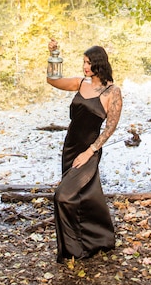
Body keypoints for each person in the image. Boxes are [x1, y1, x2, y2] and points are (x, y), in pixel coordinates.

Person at [47, 39, 123, 263]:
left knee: (63, 196)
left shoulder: (112, 92)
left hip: (89, 150)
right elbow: (52, 80)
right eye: (83, 62)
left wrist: (90, 152)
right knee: (85, 195)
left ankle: (74, 248)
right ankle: (96, 241)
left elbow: (110, 128)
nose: (85, 67)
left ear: (99, 64)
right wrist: (54, 54)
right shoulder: (81, 84)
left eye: (88, 63)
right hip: (70, 148)